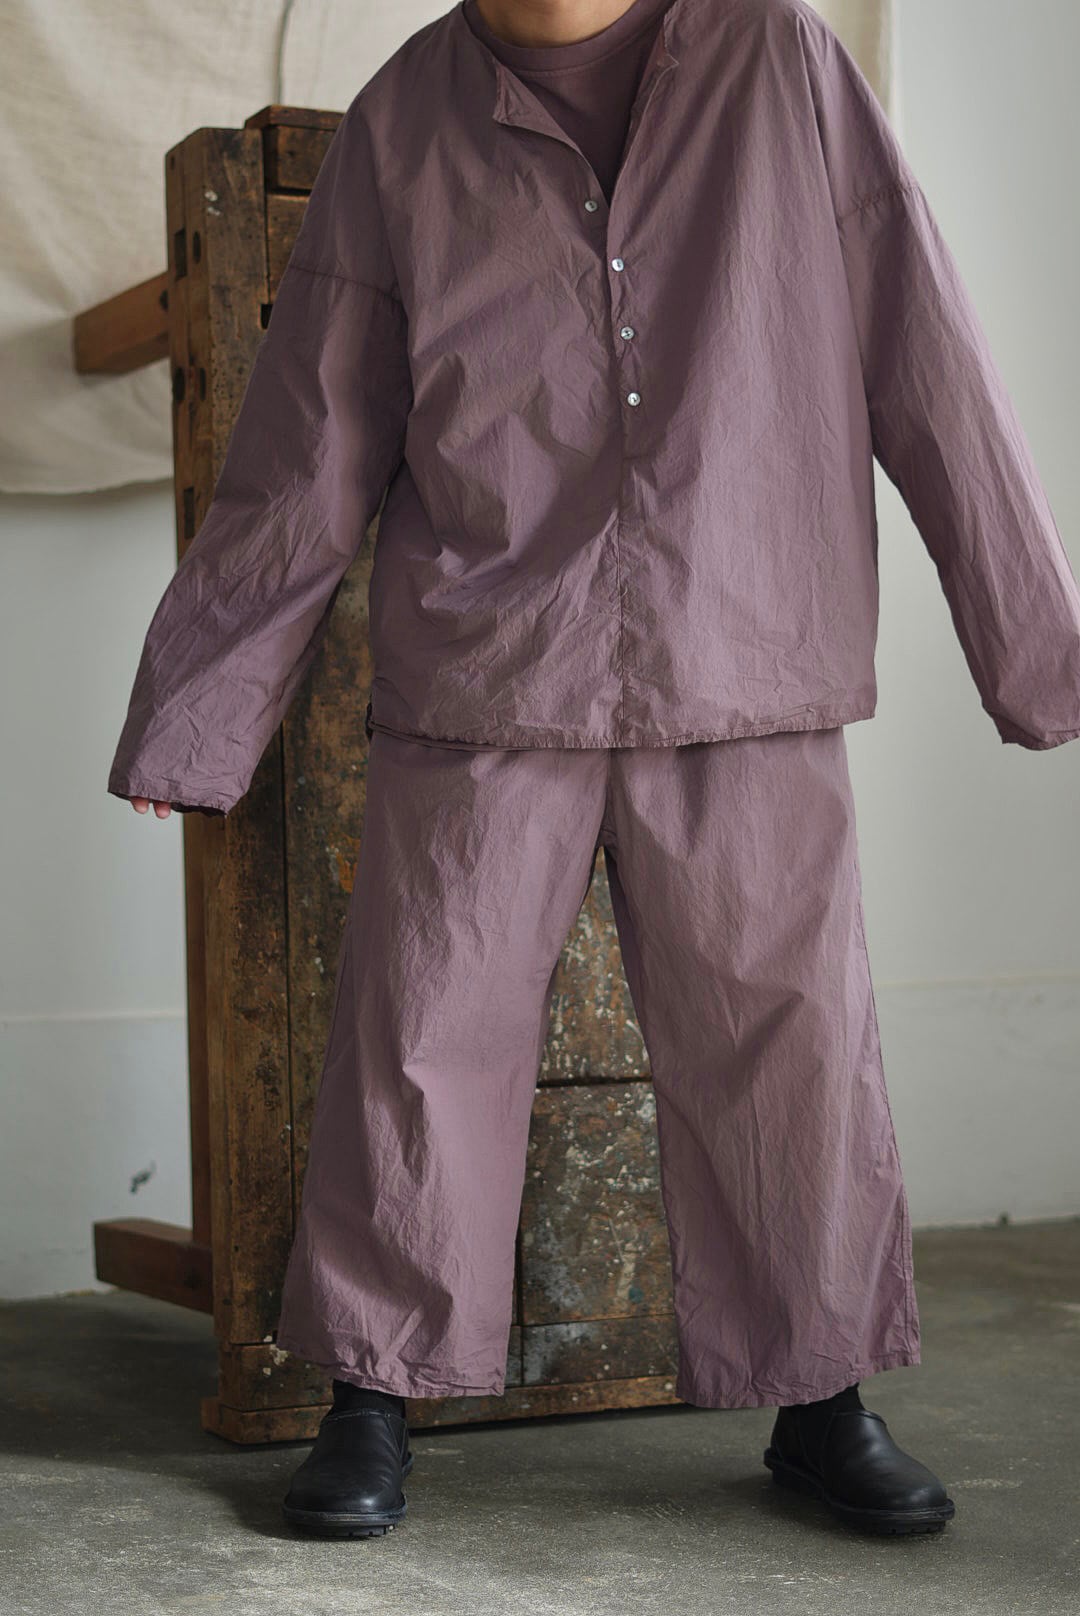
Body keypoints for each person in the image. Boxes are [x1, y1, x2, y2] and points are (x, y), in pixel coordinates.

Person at [109, 0, 1080, 1542]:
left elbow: (928, 351)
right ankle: (372, 1395)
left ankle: (820, 1399)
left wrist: (1042, 651)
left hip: (745, 646)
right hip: (489, 666)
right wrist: (198, 704)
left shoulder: (782, 63)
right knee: (420, 1032)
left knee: (789, 1043)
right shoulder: (404, 116)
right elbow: (312, 434)